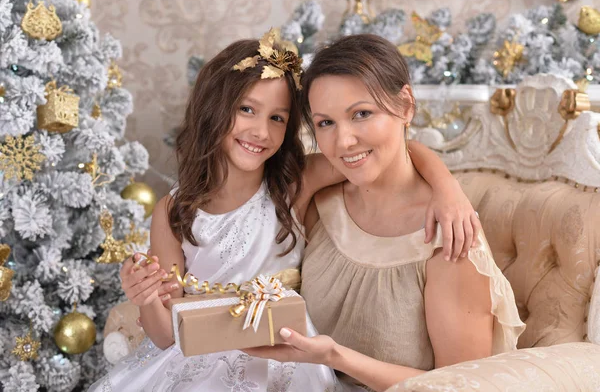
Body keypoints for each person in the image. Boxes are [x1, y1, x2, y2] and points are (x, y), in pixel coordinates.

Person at [91, 30, 482, 392]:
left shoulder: (294, 184)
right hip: (197, 358)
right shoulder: (174, 210)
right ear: (214, 108)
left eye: (277, 118)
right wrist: (145, 297)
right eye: (247, 109)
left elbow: (394, 148)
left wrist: (447, 189)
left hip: (284, 357)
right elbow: (164, 335)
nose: (261, 131)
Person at [245, 34, 526, 392]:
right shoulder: (318, 201)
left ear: (405, 106)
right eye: (326, 123)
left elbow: (461, 385)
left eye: (361, 114)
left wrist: (335, 357)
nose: (344, 141)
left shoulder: (450, 238)